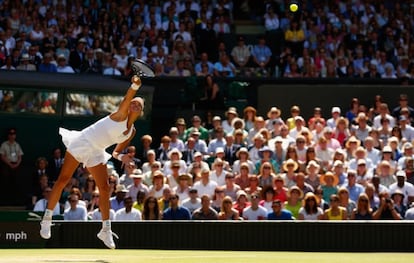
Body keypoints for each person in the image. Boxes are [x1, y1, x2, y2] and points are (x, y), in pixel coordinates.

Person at [40, 75, 145, 249]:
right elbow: (127, 97)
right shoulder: (120, 115)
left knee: (104, 188)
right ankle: (46, 219)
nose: (134, 104)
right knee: (63, 180)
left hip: (97, 150)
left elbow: (116, 151)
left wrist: (122, 158)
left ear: (140, 111)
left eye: (138, 105)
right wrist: (135, 86)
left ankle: (105, 230)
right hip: (83, 142)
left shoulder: (131, 132)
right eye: (133, 102)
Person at [0, 128, 24, 205]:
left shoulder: (17, 145)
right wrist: (10, 164)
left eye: (13, 134)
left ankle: (17, 200)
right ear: (8, 135)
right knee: (5, 178)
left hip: (16, 164)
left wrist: (17, 164)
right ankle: (5, 200)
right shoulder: (4, 144)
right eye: (10, 134)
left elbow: (20, 156)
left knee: (19, 179)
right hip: (7, 164)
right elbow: (2, 156)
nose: (12, 135)